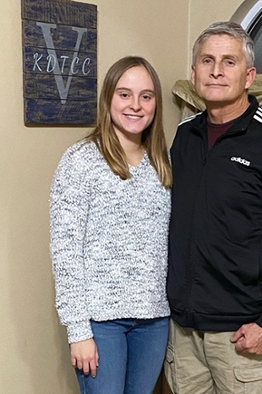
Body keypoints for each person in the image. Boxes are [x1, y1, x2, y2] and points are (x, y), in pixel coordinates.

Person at [165, 21, 262, 394]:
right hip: (183, 333)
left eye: (228, 62)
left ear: (248, 76)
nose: (216, 70)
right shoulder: (185, 136)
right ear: (194, 72)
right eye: (206, 60)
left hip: (241, 335)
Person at [50, 56, 172, 394]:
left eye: (146, 96)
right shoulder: (81, 161)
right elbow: (65, 252)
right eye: (125, 94)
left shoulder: (162, 161)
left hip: (154, 319)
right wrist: (78, 331)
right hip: (100, 323)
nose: (135, 105)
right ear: (108, 99)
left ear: (155, 104)